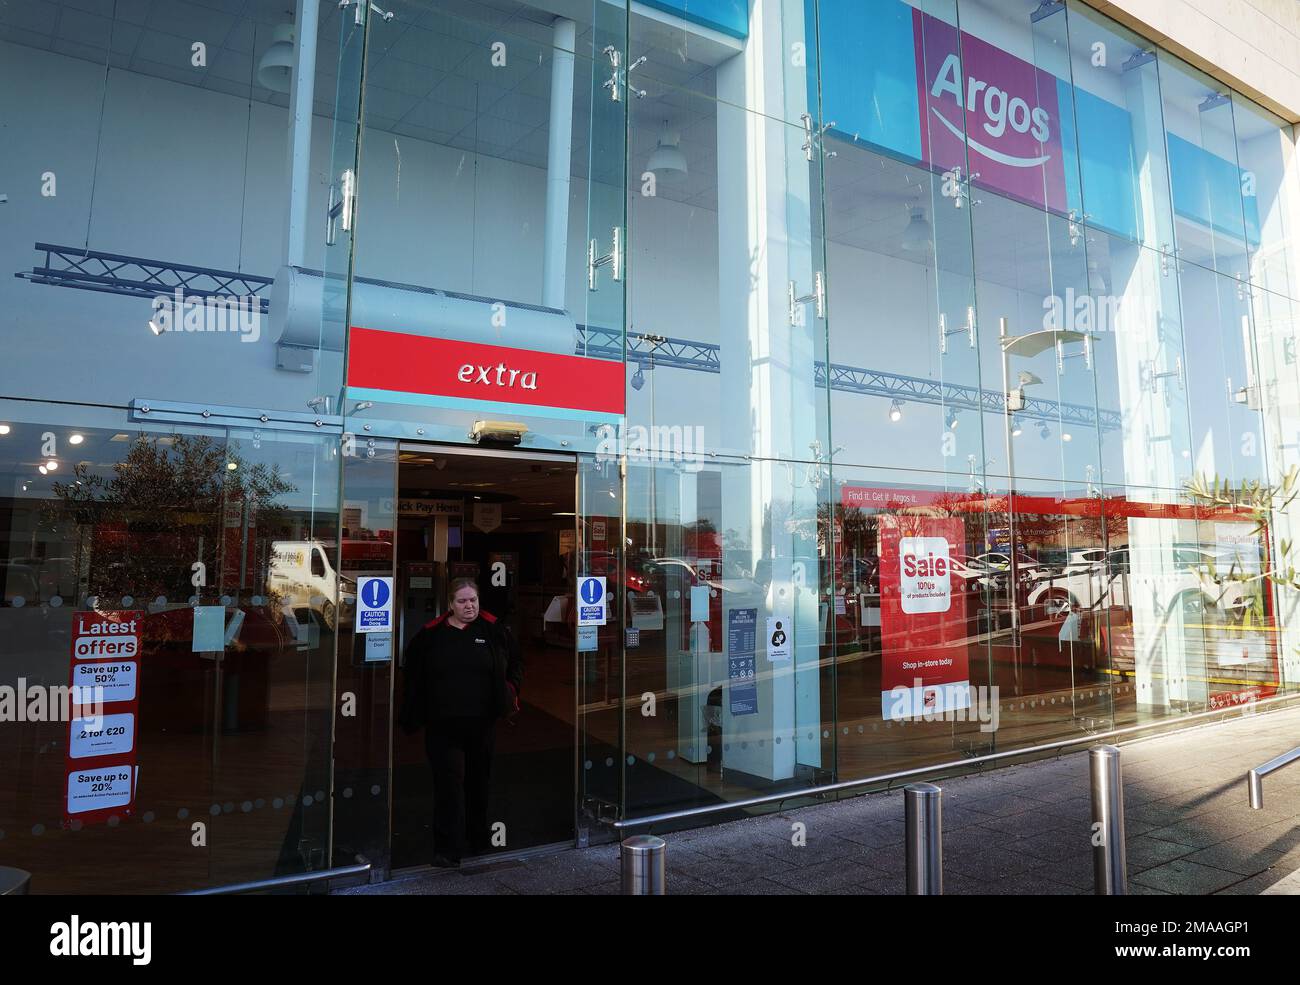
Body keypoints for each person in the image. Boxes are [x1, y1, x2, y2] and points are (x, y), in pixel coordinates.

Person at [399, 578, 522, 867]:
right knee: (448, 786)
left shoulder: (492, 631)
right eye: (462, 601)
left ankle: (478, 839)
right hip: (443, 726)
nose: (469, 606)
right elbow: (412, 673)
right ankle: (447, 848)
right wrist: (414, 710)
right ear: (450, 605)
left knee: (479, 782)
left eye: (473, 601)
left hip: (482, 724)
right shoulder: (431, 636)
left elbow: (516, 663)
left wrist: (511, 691)